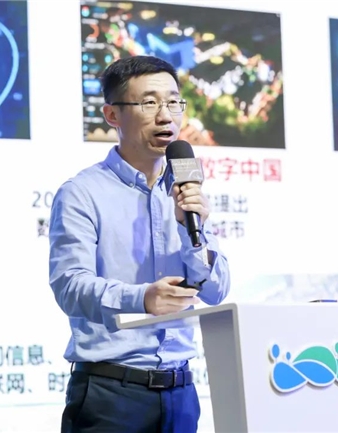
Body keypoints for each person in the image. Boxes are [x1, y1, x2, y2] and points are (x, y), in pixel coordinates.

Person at [48, 55, 231, 433]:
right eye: (149, 103)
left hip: (181, 392)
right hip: (110, 393)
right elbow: (70, 287)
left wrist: (192, 228)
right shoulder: (82, 192)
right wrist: (142, 298)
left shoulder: (186, 191)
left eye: (174, 103)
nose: (166, 117)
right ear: (112, 115)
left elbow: (216, 291)